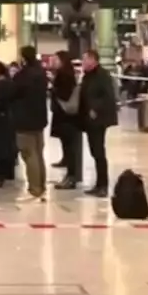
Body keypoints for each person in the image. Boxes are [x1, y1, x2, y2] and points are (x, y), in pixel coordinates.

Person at [77, 50, 118, 197]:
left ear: (93, 60)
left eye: (85, 59)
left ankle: (103, 185)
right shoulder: (88, 76)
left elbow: (108, 96)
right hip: (89, 120)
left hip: (98, 119)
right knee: (95, 152)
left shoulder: (102, 75)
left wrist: (95, 108)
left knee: (99, 152)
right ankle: (99, 184)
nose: (83, 63)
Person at [11, 45, 49, 203]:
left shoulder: (23, 76)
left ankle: (34, 189)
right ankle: (41, 186)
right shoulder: (41, 73)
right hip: (39, 118)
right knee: (39, 154)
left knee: (28, 154)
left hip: (24, 119)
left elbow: (13, 93)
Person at [50, 51, 81, 189]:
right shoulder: (65, 74)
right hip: (64, 116)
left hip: (65, 115)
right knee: (68, 145)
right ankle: (70, 175)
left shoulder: (64, 75)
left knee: (70, 147)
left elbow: (63, 93)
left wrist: (53, 88)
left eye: (56, 59)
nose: (53, 62)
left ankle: (71, 176)